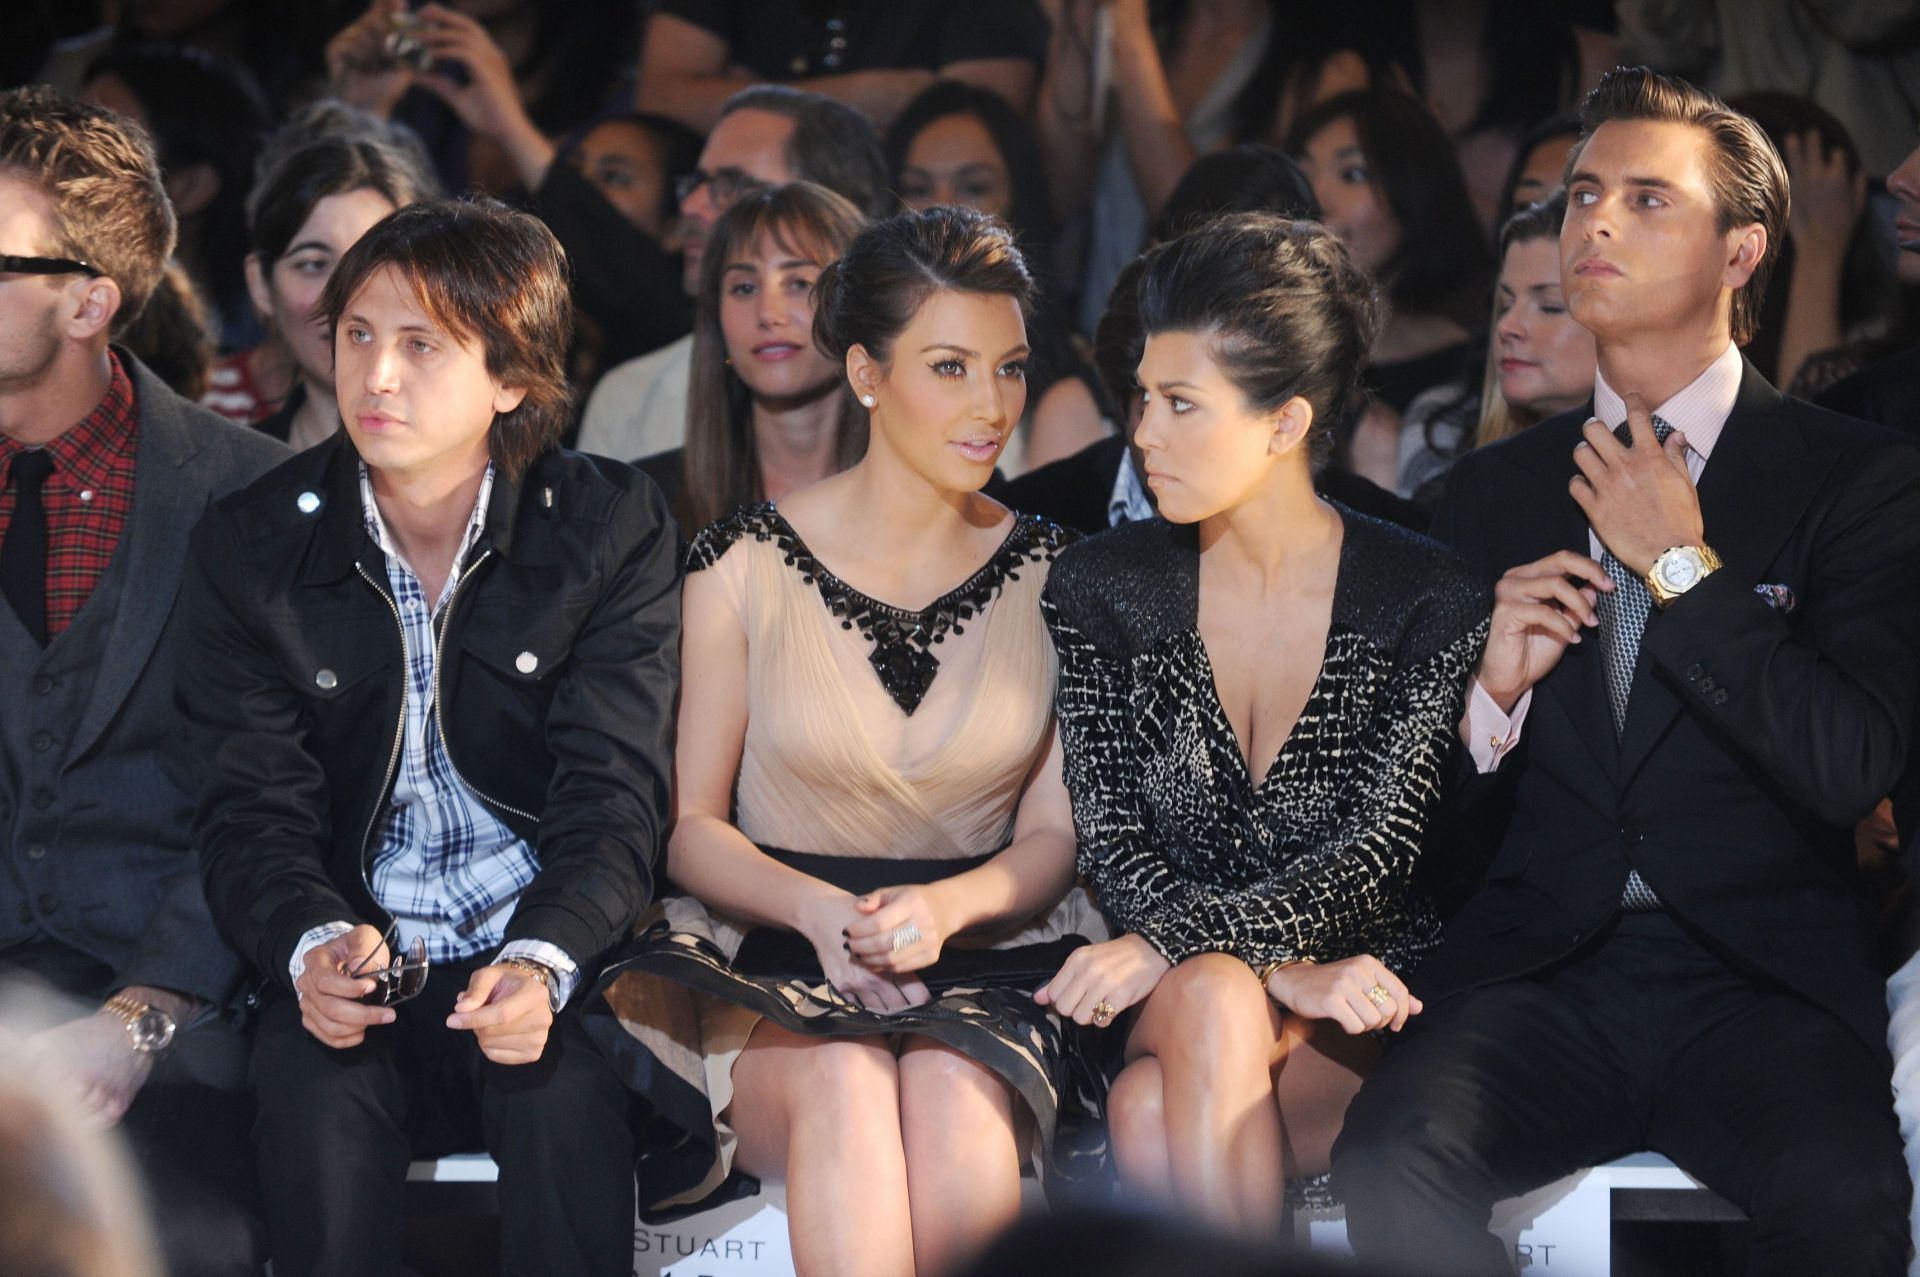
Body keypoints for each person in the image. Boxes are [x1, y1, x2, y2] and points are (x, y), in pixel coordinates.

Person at [1332, 68, 1920, 1275]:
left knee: (1852, 1211)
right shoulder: (1487, 492)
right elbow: (1420, 845)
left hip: (1762, 984)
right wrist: (1488, 699)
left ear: (1742, 251)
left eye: (1649, 200)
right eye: (1582, 193)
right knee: (1390, 1163)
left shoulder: (1855, 477)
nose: (1592, 222)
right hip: (1539, 974)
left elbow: (1851, 759)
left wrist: (1681, 569)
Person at [585, 206, 1104, 1277]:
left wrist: (945, 908)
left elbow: (1054, 836)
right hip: (775, 952)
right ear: (865, 373)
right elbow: (690, 825)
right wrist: (824, 914)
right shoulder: (737, 568)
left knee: (954, 1091)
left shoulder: (1066, 575)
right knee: (847, 1087)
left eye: (1008, 369)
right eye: (951, 367)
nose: (991, 405)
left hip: (993, 955)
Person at [176, 198, 682, 1277]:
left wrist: (545, 961)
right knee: (313, 1091)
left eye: (421, 345)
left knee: (565, 1091)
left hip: (538, 952)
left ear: (511, 379)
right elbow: (247, 806)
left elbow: (615, 795)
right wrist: (309, 938)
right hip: (360, 950)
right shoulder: (252, 545)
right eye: (358, 333)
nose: (377, 376)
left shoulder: (604, 525)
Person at [1036, 213, 1488, 1235]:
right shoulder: (1102, 584)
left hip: (1355, 1019)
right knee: (1211, 1000)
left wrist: (1202, 949)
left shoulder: (1425, 593)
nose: (1144, 433)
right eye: (1143, 398)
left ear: (1284, 423)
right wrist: (1264, 966)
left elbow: (1377, 854)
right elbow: (1114, 841)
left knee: (1154, 1115)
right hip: (1174, 1005)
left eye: (1182, 405)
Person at [0, 85, 289, 1276]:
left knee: (187, 1241)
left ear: (90, 299)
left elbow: (266, 797)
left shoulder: (254, 495)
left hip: (181, 1016)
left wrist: (140, 1014)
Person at [577, 84, 889, 465]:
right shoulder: (630, 397)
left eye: (734, 187)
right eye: (698, 183)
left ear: (832, 211)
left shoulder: (935, 411)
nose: (692, 206)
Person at [887, 79, 1105, 474]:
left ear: (1020, 201)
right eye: (918, 188)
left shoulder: (1067, 392)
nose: (944, 210)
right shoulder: (864, 366)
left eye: (974, 187)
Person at [640, 181, 867, 536]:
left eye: (799, 283)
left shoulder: (947, 504)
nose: (769, 313)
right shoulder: (645, 505)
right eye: (744, 288)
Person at [232, 126, 441, 452]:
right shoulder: (231, 478)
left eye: (373, 262)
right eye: (313, 264)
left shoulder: (498, 473)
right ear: (260, 284)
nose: (344, 296)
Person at [1398, 191, 1596, 503]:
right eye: (1504, 304)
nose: (1506, 327)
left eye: (1549, 306)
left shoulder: (1689, 474)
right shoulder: (1452, 492)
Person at [78, 43, 272, 354]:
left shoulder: (247, 357)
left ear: (191, 188)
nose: (55, 170)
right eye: (62, 136)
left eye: (101, 153)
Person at [636, 0, 1050, 131]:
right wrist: (869, 97)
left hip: (903, 249)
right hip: (739, 228)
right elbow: (660, 101)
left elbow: (978, 134)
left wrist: (742, 99)